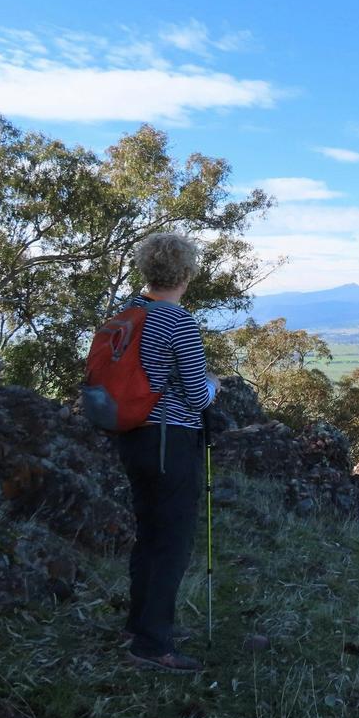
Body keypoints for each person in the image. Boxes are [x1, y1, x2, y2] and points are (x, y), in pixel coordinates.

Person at [116, 232, 220, 673]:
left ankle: (139, 626)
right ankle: (153, 644)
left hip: (132, 436)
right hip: (169, 440)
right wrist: (215, 386)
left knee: (148, 534)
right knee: (172, 542)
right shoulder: (177, 321)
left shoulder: (126, 314)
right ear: (186, 273)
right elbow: (196, 395)